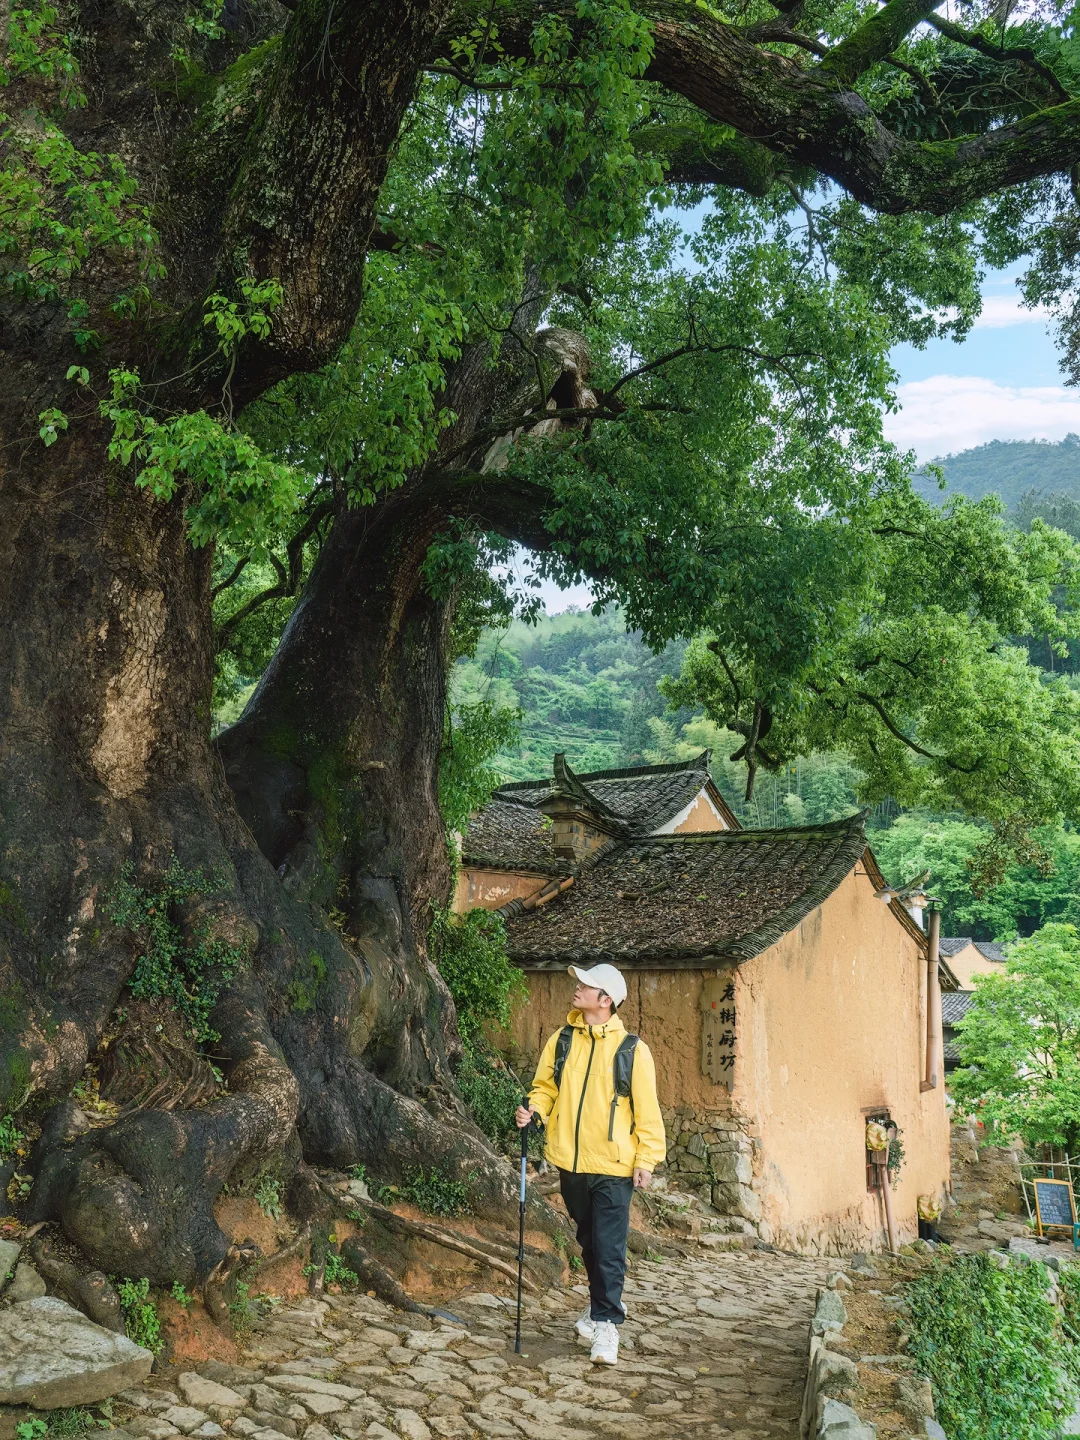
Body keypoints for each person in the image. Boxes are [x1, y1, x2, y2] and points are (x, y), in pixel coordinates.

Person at [516, 963, 666, 1366]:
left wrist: (646, 1159)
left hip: (615, 1165)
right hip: (571, 1161)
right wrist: (534, 1109)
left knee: (609, 1247)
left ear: (606, 1000)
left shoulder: (632, 1050)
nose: (578, 987)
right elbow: (545, 1087)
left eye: (587, 984)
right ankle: (602, 1304)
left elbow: (647, 1111)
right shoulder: (563, 1040)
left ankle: (607, 1325)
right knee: (589, 1242)